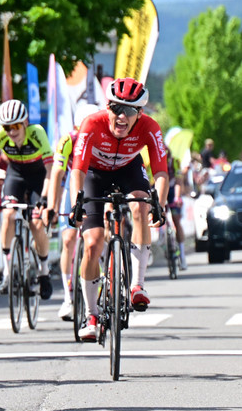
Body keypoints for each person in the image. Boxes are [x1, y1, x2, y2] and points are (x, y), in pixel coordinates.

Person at [70, 78, 169, 342]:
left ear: (140, 113)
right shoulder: (92, 123)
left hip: (128, 169)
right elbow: (77, 169)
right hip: (94, 174)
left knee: (140, 206)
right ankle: (91, 315)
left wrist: (159, 204)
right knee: (92, 243)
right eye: (116, 108)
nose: (121, 116)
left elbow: (161, 172)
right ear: (108, 107)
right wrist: (76, 203)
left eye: (128, 110)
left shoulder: (150, 127)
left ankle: (137, 285)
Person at [0, 99, 54, 299]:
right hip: (15, 175)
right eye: (7, 127)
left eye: (15, 126)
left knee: (36, 223)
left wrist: (45, 196)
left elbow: (50, 168)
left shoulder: (37, 132)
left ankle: (44, 271)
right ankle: (7, 272)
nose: (11, 132)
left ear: (25, 123)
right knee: (8, 215)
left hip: (38, 177)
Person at [43, 103, 99, 321]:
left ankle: (106, 276)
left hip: (99, 180)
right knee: (68, 240)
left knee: (101, 233)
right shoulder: (68, 140)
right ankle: (68, 297)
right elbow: (57, 174)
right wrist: (52, 207)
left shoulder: (105, 137)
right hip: (74, 183)